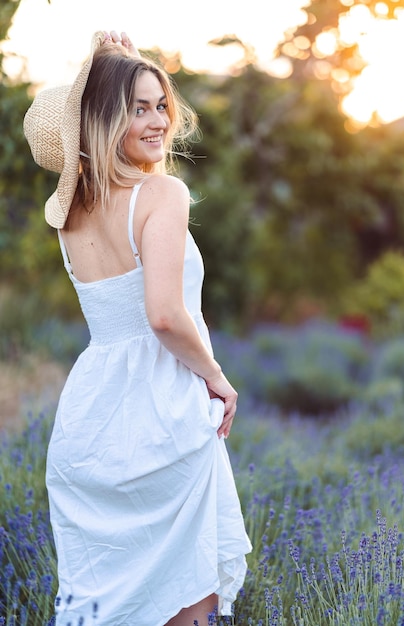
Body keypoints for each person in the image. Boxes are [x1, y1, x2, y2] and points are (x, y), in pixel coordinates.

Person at [23, 30, 252, 626]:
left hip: (92, 419)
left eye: (159, 105)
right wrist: (219, 379)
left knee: (109, 605)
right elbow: (164, 315)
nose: (158, 122)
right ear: (102, 122)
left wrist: (116, 64)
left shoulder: (71, 216)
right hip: (161, 411)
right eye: (136, 109)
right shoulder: (161, 193)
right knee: (187, 597)